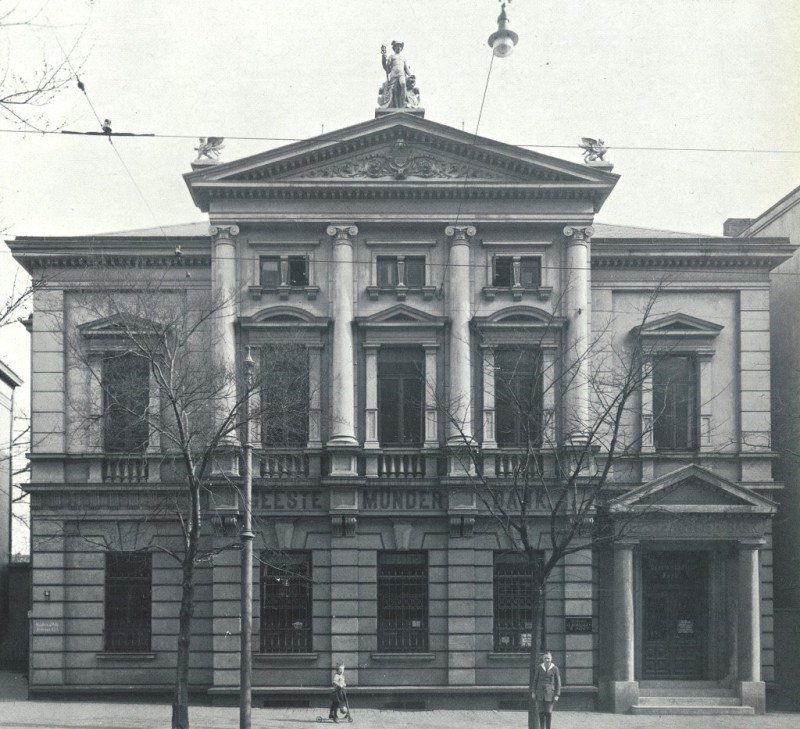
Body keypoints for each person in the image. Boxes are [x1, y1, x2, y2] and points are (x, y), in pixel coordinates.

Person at [532, 651, 561, 729]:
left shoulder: (555, 668)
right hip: (540, 693)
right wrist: (533, 692)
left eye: (548, 658)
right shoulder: (539, 667)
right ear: (543, 659)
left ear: (551, 659)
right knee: (540, 712)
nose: (546, 660)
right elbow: (535, 680)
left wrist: (557, 695)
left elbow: (558, 682)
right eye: (545, 658)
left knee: (548, 712)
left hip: (550, 694)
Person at [380, 41, 412, 108]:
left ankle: (403, 102)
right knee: (394, 90)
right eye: (397, 46)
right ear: (394, 48)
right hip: (393, 74)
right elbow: (386, 67)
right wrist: (384, 57)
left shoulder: (403, 58)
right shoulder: (391, 57)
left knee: (403, 84)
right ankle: (396, 105)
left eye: (400, 46)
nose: (398, 48)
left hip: (401, 74)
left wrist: (410, 75)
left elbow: (406, 68)